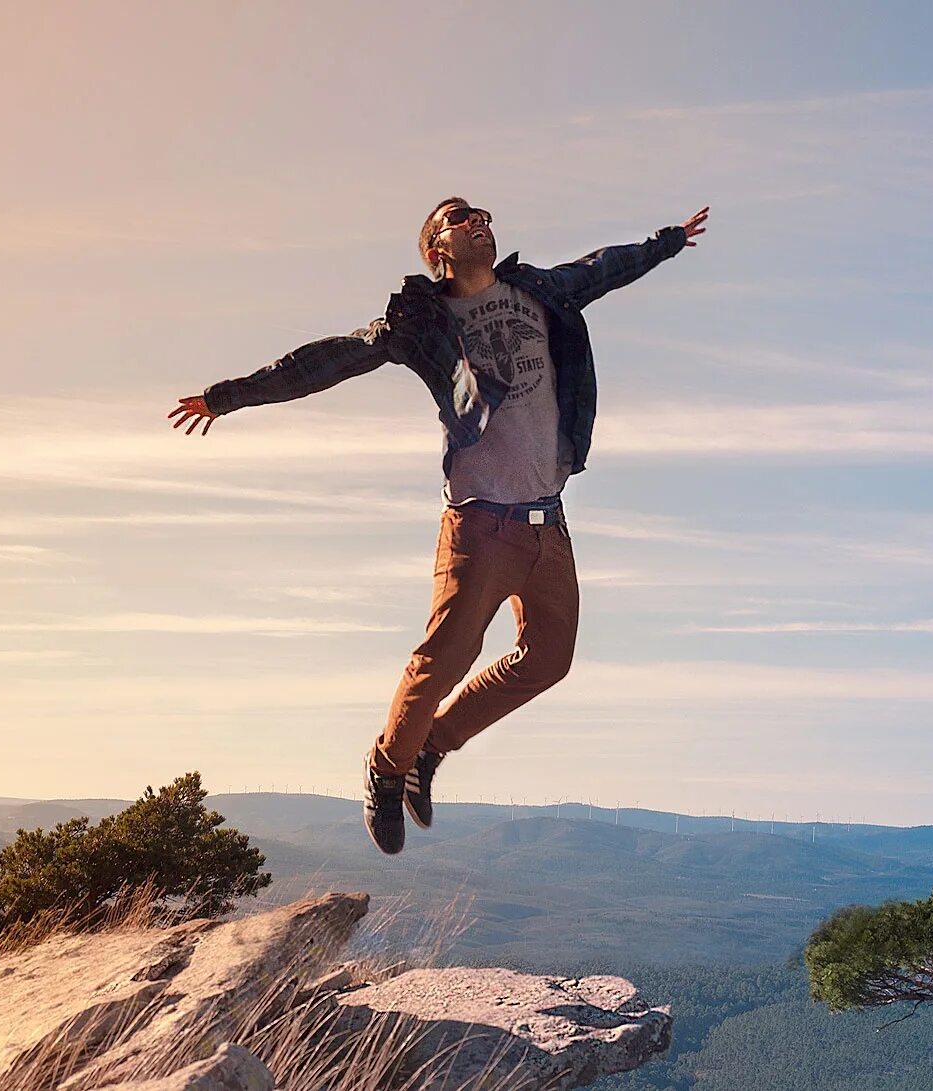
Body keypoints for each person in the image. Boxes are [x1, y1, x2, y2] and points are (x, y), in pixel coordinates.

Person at [170, 198, 710, 854]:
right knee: (446, 658)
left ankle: (430, 747)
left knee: (549, 659)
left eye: (481, 212)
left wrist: (668, 241)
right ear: (437, 251)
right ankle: (387, 768)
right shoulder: (422, 322)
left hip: (548, 524)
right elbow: (325, 361)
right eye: (457, 218)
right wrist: (228, 397)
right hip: (480, 526)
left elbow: (604, 266)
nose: (477, 220)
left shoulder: (540, 289)